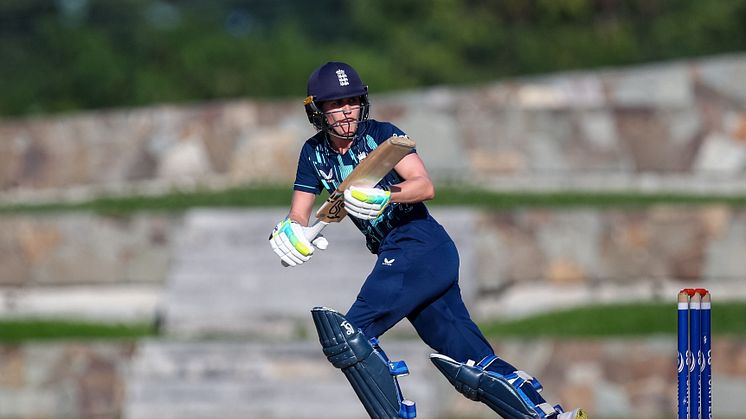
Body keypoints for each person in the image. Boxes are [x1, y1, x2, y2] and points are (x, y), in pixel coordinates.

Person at [269, 61, 587, 419]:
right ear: (318, 110)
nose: (347, 111)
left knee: (348, 335)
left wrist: (385, 195)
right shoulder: (313, 153)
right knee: (471, 366)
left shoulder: (381, 136)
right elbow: (301, 211)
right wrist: (293, 230)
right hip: (406, 257)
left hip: (417, 243)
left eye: (353, 101)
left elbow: (424, 185)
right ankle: (547, 415)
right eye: (336, 104)